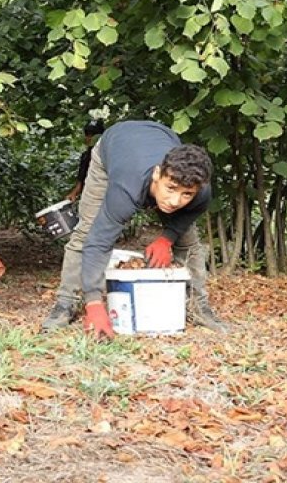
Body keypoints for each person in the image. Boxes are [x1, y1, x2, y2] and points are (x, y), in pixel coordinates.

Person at [40, 120, 229, 336]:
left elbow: (189, 212)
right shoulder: (126, 190)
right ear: (158, 174)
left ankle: (198, 306)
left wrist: (167, 238)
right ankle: (66, 303)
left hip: (158, 136)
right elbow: (99, 242)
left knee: (188, 242)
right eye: (171, 189)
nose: (175, 201)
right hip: (113, 147)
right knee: (86, 233)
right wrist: (93, 302)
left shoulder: (199, 189)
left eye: (186, 194)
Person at [64, 119, 106, 203]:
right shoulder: (85, 156)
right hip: (91, 197)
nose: (90, 138)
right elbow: (81, 181)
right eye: (87, 134)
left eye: (93, 135)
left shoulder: (108, 155)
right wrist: (74, 193)